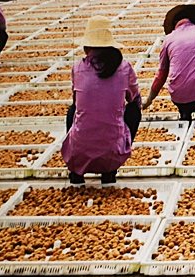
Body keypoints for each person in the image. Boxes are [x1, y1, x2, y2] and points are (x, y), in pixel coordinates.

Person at [60, 16, 141, 185]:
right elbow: (134, 98)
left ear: (86, 46)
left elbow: (78, 103)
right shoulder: (124, 67)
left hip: (78, 151)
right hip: (112, 152)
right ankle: (110, 170)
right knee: (134, 109)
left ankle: (76, 172)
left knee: (72, 111)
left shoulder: (77, 68)